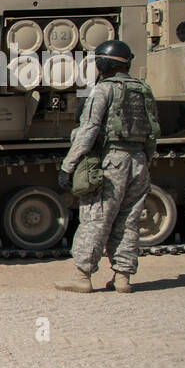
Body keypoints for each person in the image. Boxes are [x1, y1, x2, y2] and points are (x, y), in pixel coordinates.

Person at [54, 40, 159, 293]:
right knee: (129, 221)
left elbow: (88, 131)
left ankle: (82, 276)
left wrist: (68, 166)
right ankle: (122, 278)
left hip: (112, 162)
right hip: (139, 162)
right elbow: (153, 133)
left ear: (103, 63)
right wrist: (145, 161)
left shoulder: (102, 91)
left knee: (96, 218)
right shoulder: (144, 90)